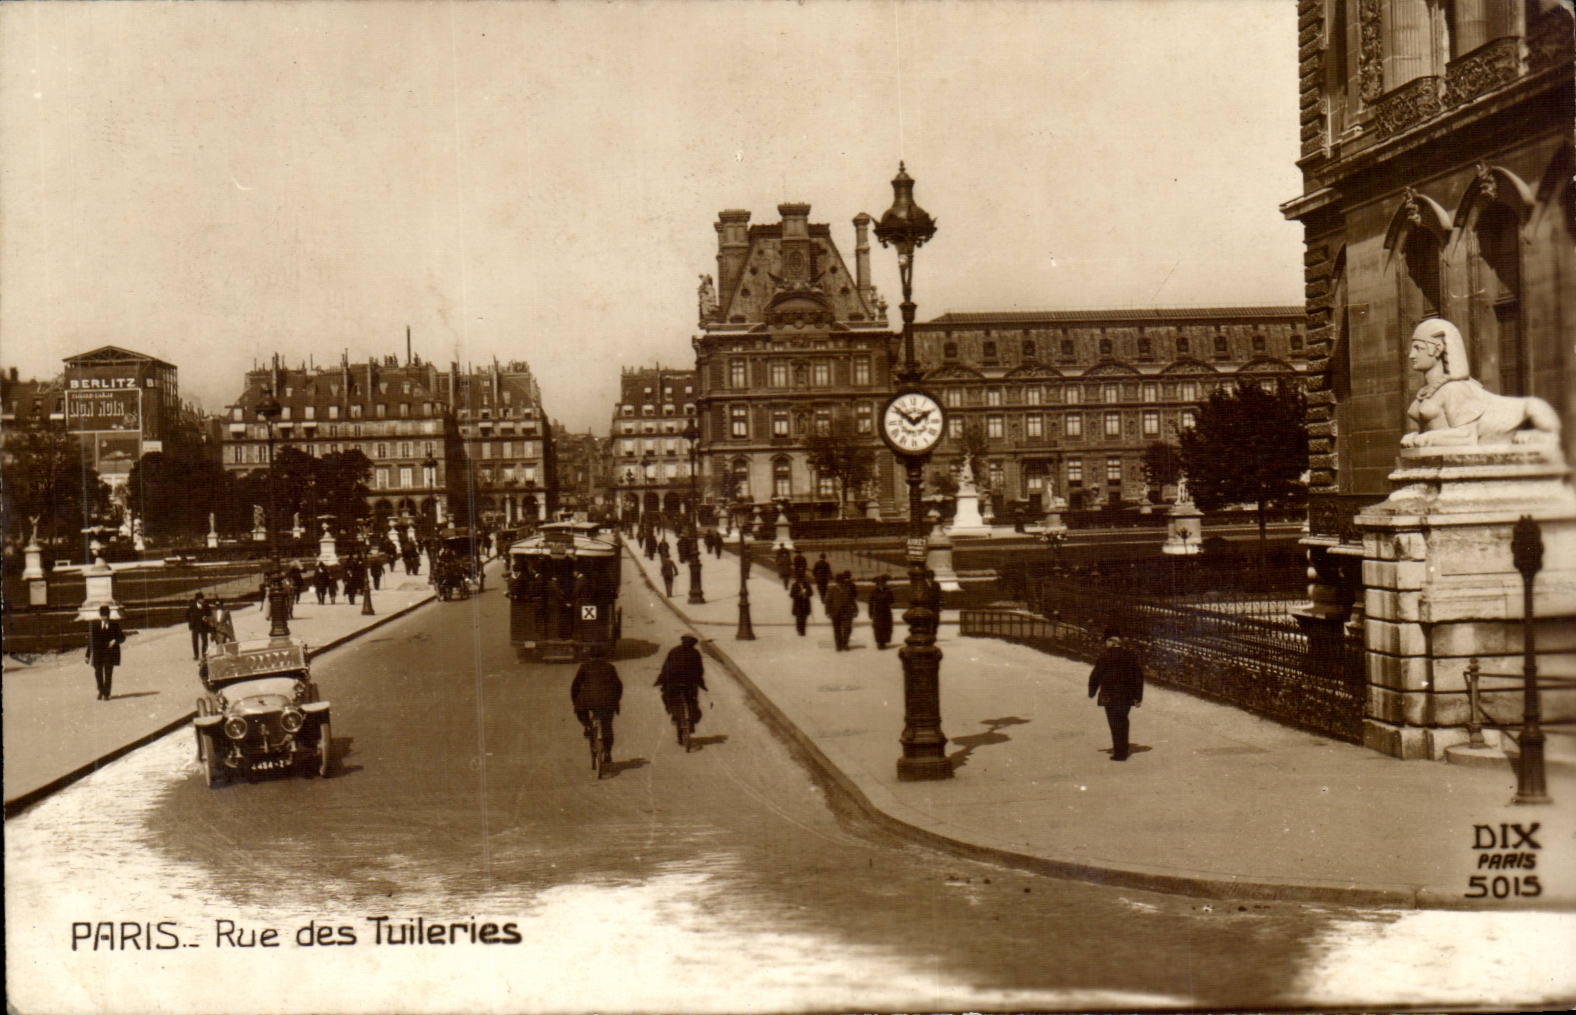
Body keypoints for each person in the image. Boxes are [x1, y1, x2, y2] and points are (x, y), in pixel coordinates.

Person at [1087, 626, 1144, 761]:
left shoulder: (1105, 656)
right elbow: (1138, 677)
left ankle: (1120, 753)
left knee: (1114, 722)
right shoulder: (1131, 655)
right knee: (1123, 720)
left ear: (1110, 641)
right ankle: (1122, 749)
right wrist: (1138, 697)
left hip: (1109, 695)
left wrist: (1092, 691)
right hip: (1127, 696)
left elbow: (1095, 675)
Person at [571, 642, 623, 769]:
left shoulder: (584, 667)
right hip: (607, 702)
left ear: (590, 656)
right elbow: (618, 686)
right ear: (603, 656)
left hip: (587, 701)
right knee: (607, 726)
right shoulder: (610, 667)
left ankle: (587, 726)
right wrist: (615, 700)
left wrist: (575, 701)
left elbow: (575, 686)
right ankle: (608, 753)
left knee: (582, 713)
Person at [655, 634, 707, 744]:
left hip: (674, 684)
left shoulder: (674, 651)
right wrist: (699, 681)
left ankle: (673, 713)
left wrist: (662, 679)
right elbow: (700, 670)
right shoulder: (695, 653)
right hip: (689, 684)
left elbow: (666, 667)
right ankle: (691, 722)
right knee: (692, 701)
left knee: (668, 697)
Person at [85, 604, 126, 701]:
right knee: (98, 673)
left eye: (106, 616)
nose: (104, 618)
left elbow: (122, 637)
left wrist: (115, 641)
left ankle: (106, 693)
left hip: (109, 653)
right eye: (103, 616)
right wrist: (87, 655)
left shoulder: (114, 625)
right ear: (100, 616)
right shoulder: (95, 626)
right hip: (98, 653)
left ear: (109, 615)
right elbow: (91, 641)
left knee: (108, 673)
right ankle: (101, 690)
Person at [826, 571, 859, 650]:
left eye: (841, 581)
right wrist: (827, 612)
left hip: (847, 612)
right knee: (837, 630)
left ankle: (845, 643)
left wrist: (855, 610)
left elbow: (852, 601)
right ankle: (839, 645)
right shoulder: (832, 590)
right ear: (836, 582)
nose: (840, 583)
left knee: (847, 628)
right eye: (839, 582)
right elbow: (828, 602)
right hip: (835, 612)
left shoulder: (847, 590)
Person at [868, 574, 895, 650]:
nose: (881, 584)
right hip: (877, 612)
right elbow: (871, 603)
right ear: (877, 584)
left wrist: (888, 595)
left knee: (886, 627)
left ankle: (884, 642)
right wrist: (870, 613)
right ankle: (880, 642)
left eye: (883, 583)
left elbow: (892, 601)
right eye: (879, 583)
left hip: (886, 612)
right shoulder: (874, 592)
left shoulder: (888, 591)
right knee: (878, 627)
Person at [186, 593, 210, 660]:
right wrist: (191, 621)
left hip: (203, 626)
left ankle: (204, 654)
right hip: (195, 626)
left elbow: (210, 615)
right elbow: (187, 615)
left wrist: (206, 618)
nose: (203, 600)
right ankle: (196, 655)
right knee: (195, 641)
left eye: (203, 598)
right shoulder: (192, 606)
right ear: (197, 600)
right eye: (201, 599)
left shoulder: (206, 606)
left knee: (205, 640)